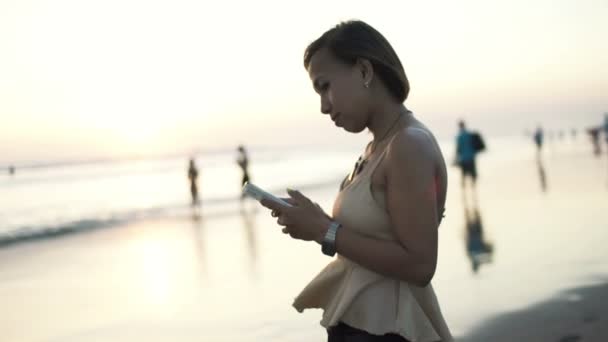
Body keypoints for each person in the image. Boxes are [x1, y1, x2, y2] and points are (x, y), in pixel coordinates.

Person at [261, 20, 452, 342]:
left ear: (364, 71)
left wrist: (323, 230)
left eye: (325, 86)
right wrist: (317, 221)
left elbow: (420, 264)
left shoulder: (408, 145)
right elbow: (372, 238)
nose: (323, 106)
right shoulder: (378, 147)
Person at [455, 120, 480, 193]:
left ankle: (464, 192)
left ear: (459, 126)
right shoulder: (469, 135)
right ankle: (473, 189)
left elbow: (458, 149)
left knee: (463, 176)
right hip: (471, 158)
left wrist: (456, 159)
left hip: (463, 159)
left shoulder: (459, 137)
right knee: (473, 175)